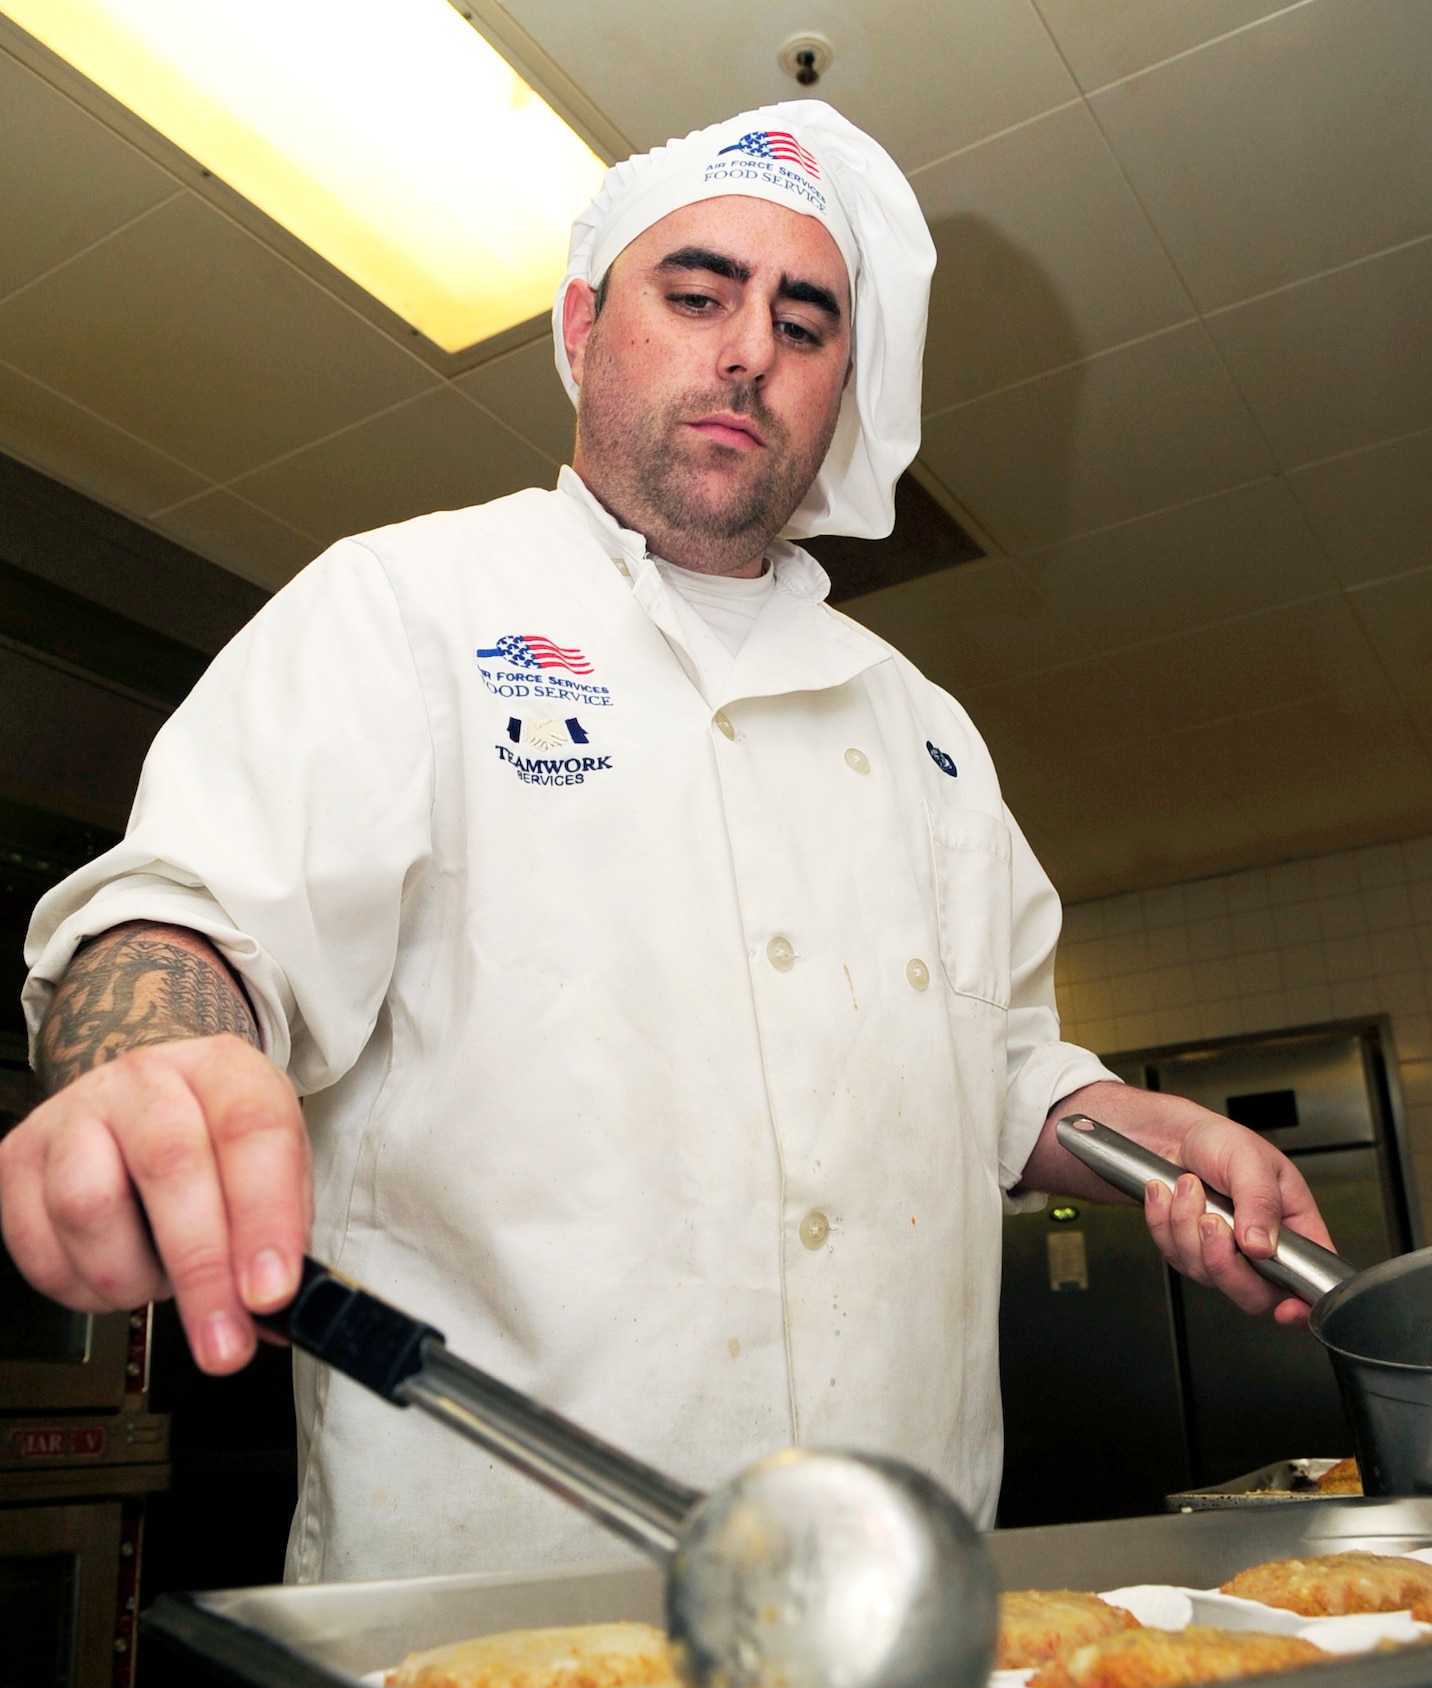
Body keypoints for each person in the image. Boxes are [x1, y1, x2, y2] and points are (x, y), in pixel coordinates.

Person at [0, 103, 1332, 1582]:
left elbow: (999, 1063)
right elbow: (185, 924)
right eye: (697, 295)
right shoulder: (407, 609)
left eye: (805, 321)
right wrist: (148, 1056)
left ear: (844, 387)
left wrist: (1147, 1143)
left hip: (897, 1604)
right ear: (584, 323)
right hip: (495, 1608)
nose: (748, 348)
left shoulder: (926, 730)